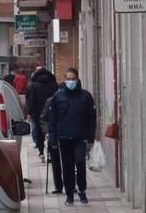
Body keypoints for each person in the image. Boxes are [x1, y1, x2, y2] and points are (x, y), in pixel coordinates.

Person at [48, 68, 96, 206]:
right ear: (64, 79)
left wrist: (91, 137)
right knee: (67, 167)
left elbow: (91, 118)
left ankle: (82, 190)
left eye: (72, 79)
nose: (70, 81)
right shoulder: (58, 96)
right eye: (68, 79)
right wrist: (53, 137)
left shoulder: (85, 96)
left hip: (80, 137)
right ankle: (69, 194)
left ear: (77, 79)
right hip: (63, 137)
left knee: (80, 163)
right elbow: (52, 119)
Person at [26, 68, 59, 161]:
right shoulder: (54, 84)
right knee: (51, 131)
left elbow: (31, 101)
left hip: (37, 113)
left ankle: (41, 152)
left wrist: (29, 113)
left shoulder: (33, 86)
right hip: (52, 112)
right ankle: (50, 152)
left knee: (39, 133)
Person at [40, 95, 63, 194]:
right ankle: (58, 186)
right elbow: (43, 119)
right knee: (56, 162)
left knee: (69, 162)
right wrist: (47, 132)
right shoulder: (51, 101)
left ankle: (70, 184)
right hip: (53, 136)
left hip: (67, 136)